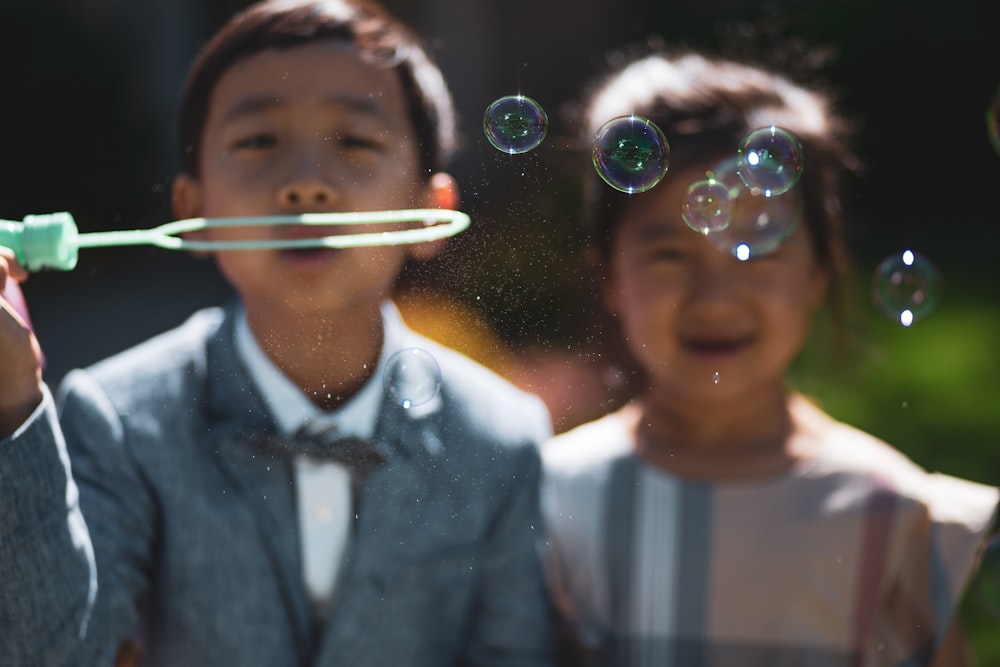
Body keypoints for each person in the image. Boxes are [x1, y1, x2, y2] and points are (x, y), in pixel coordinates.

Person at [0, 1, 559, 665]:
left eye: (354, 142)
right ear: (193, 212)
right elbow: (57, 655)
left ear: (428, 212)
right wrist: (11, 399)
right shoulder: (120, 419)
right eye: (259, 141)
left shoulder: (500, 437)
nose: (304, 185)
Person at [539, 46, 1000, 666]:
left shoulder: (889, 515)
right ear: (609, 276)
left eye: (756, 247)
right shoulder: (548, 497)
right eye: (669, 254)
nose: (715, 295)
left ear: (818, 272)